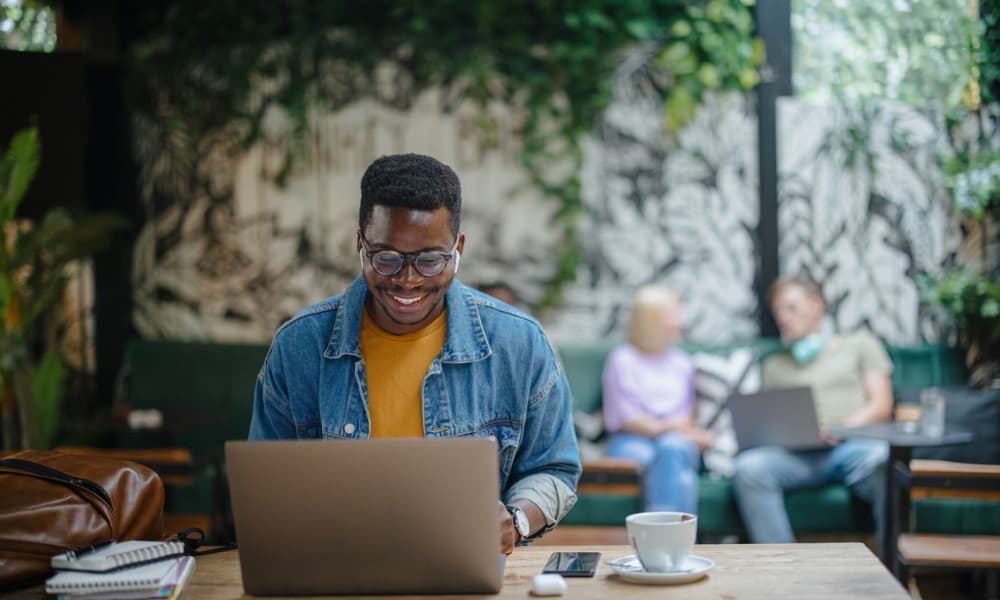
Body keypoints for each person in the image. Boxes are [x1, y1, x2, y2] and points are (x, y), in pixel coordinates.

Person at [249, 153, 581, 555]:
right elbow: (265, 488)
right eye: (386, 257)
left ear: (458, 248)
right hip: (335, 570)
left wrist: (515, 519)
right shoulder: (298, 347)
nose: (407, 281)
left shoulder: (520, 343)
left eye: (430, 260)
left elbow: (555, 468)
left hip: (466, 569)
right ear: (360, 244)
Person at [732, 275, 893, 545]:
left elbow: (882, 406)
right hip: (798, 457)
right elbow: (767, 421)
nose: (783, 318)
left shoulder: (860, 345)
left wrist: (838, 429)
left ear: (817, 304)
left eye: (791, 307)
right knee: (748, 469)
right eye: (778, 311)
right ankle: (785, 569)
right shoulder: (774, 364)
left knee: (884, 461)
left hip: (853, 449)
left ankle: (894, 567)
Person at [601, 286, 714, 514]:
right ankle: (680, 542)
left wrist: (687, 432)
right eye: (673, 314)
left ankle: (656, 535)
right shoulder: (622, 359)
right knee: (682, 477)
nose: (680, 321)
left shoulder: (683, 362)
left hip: (675, 439)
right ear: (651, 321)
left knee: (671, 449)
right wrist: (668, 427)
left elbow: (688, 416)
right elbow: (626, 419)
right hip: (631, 439)